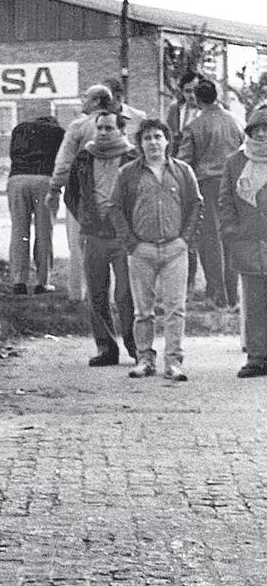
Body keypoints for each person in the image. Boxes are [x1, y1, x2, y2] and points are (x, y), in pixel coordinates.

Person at [111, 118, 202, 381]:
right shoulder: (127, 173)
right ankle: (144, 360)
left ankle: (174, 362)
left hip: (175, 249)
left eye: (158, 137)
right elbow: (115, 208)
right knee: (143, 311)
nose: (153, 142)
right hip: (142, 250)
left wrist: (185, 240)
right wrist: (131, 243)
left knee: (176, 308)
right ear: (139, 144)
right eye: (147, 138)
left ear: (167, 141)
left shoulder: (183, 171)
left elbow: (196, 205)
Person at [64, 110, 139, 366]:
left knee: (126, 294)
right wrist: (85, 217)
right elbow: (71, 194)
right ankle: (106, 348)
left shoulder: (132, 156)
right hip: (93, 234)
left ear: (121, 130)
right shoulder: (85, 156)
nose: (104, 133)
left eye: (109, 128)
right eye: (100, 128)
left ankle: (135, 345)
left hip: (123, 235)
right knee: (97, 293)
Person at [179, 78, 244, 307]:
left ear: (197, 100)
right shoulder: (235, 121)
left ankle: (217, 295)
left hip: (206, 185)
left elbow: (184, 163)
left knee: (210, 241)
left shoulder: (194, 125)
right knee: (231, 239)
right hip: (233, 186)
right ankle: (233, 296)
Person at [48, 84, 115, 302]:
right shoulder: (117, 124)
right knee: (112, 244)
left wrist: (55, 188)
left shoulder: (79, 126)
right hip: (113, 193)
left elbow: (64, 161)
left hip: (82, 193)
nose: (82, 101)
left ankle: (79, 294)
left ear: (96, 101)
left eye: (86, 97)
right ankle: (111, 295)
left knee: (79, 244)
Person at [217, 108, 267, 378]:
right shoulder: (235, 162)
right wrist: (231, 231)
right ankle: (257, 357)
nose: (261, 134)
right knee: (254, 303)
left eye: (266, 129)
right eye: (255, 130)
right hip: (248, 244)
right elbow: (225, 201)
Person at [6, 115, 63, 294]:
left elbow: (12, 154)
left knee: (19, 231)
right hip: (44, 180)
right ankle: (42, 282)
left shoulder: (19, 129)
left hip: (17, 179)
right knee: (44, 231)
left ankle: (18, 281)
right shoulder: (58, 132)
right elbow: (63, 159)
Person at [167, 73, 203, 291]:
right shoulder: (174, 110)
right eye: (187, 91)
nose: (191, 96)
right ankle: (186, 281)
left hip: (198, 173)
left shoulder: (204, 112)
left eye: (195, 91)